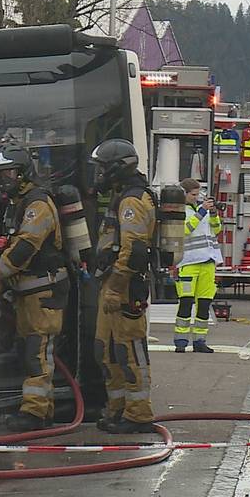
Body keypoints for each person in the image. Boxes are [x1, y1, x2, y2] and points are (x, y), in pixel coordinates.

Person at [0, 144, 69, 432]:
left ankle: (34, 414)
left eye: (9, 172)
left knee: (37, 352)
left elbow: (23, 249)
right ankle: (42, 412)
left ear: (23, 173)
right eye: (0, 174)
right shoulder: (18, 204)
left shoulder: (38, 204)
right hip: (27, 294)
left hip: (43, 294)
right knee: (31, 352)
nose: (4, 179)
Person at [90, 139, 158, 434]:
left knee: (130, 352)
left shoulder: (132, 201)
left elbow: (134, 250)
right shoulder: (122, 196)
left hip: (126, 288)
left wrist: (117, 288)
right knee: (106, 351)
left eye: (103, 168)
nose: (99, 174)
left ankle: (139, 414)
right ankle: (117, 410)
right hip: (112, 285)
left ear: (119, 168)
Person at [173, 178, 222, 354]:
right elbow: (185, 230)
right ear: (184, 194)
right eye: (193, 194)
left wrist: (214, 213)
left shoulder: (205, 211)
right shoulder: (180, 210)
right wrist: (202, 211)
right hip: (188, 262)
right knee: (186, 302)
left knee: (204, 304)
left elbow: (216, 230)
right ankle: (180, 340)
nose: (196, 197)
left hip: (208, 261)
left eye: (198, 194)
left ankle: (200, 341)